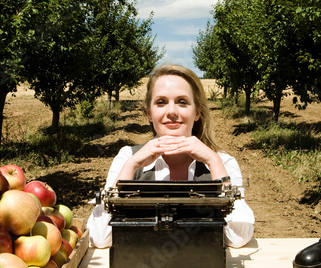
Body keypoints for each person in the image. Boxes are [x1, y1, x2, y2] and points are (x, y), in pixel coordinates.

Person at [87, 64, 255, 248]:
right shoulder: (127, 157)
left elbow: (238, 238)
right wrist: (130, 166)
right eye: (161, 102)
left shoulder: (223, 161)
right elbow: (100, 238)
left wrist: (214, 162)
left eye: (182, 102)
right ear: (149, 113)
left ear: (197, 112)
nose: (172, 111)